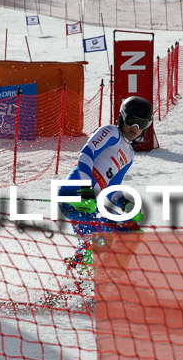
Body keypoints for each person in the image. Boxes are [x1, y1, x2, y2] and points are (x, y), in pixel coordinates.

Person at [57, 96, 152, 281]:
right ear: (122, 117)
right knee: (99, 239)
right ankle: (79, 283)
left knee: (131, 232)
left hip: (93, 202)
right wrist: (85, 189)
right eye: (132, 120)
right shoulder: (111, 132)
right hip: (74, 194)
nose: (135, 128)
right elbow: (85, 155)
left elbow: (113, 186)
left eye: (141, 124)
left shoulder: (129, 154)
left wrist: (125, 203)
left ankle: (104, 279)